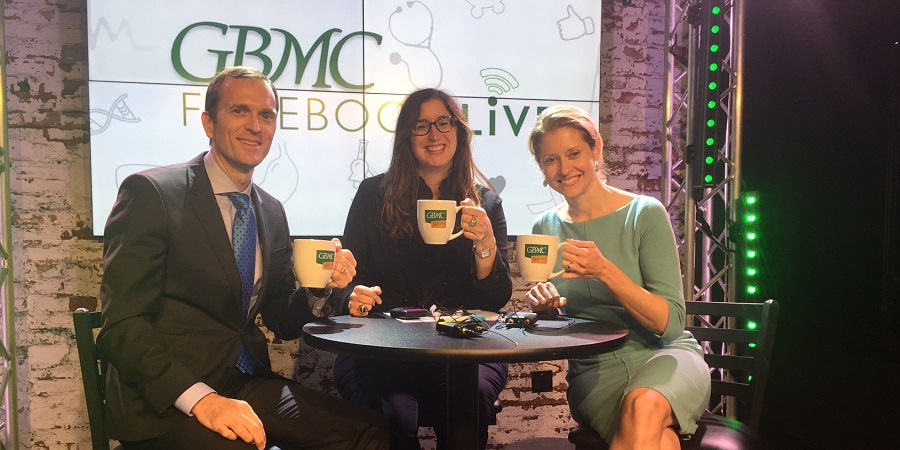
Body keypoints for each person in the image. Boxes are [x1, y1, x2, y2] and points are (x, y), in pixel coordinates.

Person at [97, 66, 390, 450]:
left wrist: (322, 288)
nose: (255, 126)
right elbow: (123, 327)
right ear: (208, 123)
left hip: (245, 384)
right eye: (239, 111)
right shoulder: (152, 193)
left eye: (266, 115)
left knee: (375, 434)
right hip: (166, 401)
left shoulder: (270, 210)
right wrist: (202, 399)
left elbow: (281, 318)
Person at [332, 88, 512, 449]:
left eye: (444, 122)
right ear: (406, 136)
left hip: (464, 348)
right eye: (421, 125)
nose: (434, 134)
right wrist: (352, 297)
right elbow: (345, 282)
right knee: (393, 412)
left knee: (470, 397)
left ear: (459, 130)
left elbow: (494, 302)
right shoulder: (373, 195)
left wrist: (485, 245)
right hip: (382, 347)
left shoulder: (485, 203)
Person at [524, 105, 711, 450]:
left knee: (643, 405)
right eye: (551, 160)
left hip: (664, 355)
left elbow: (671, 324)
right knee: (658, 437)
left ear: (595, 148)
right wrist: (546, 309)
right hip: (595, 371)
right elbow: (561, 322)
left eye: (574, 153)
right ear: (542, 168)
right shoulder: (544, 227)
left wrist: (605, 270)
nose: (564, 169)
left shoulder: (644, 213)